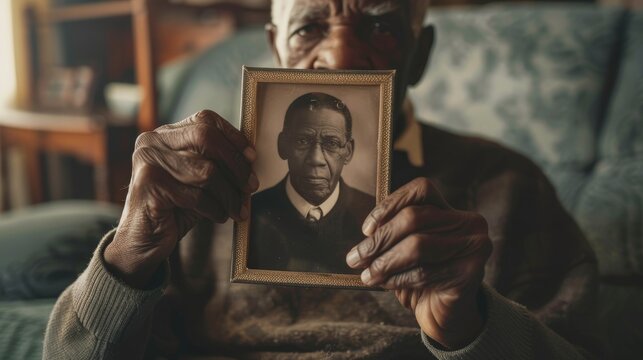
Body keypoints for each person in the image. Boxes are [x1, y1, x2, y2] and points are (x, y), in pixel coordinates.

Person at [44, 0, 601, 359]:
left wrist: (472, 326)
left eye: (380, 25)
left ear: (420, 54)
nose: (339, 55)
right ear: (275, 47)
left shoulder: (507, 185)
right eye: (311, 26)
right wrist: (128, 253)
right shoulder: (204, 184)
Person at [249, 92, 375, 273]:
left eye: (331, 143)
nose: (316, 159)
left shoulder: (373, 214)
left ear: (348, 151)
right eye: (302, 141)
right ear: (282, 145)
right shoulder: (252, 213)